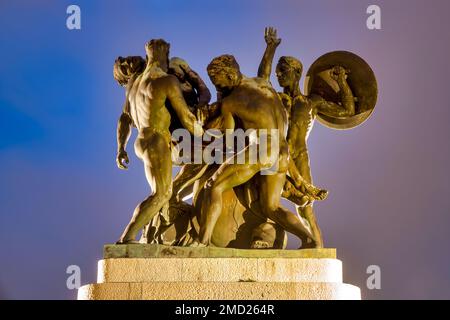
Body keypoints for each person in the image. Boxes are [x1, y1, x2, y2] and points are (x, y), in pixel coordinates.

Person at [192, 54, 315, 246]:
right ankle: (309, 239)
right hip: (283, 152)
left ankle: (202, 242)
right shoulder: (264, 84)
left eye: (219, 84)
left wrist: (202, 133)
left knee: (213, 186)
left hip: (262, 149)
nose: (219, 88)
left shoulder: (230, 102)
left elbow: (230, 140)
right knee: (271, 207)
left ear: (230, 76)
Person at [258, 27, 356, 247]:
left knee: (306, 207)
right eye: (278, 71)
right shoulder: (276, 98)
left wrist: (342, 81)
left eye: (282, 70)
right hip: (275, 155)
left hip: (299, 156)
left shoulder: (311, 102)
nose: (278, 74)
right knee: (265, 200)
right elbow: (262, 78)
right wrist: (270, 49)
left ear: (296, 73)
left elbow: (348, 110)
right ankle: (264, 238)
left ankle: (317, 250)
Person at [113, 39, 203, 244]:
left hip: (142, 141)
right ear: (166, 54)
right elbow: (187, 118)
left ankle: (156, 225)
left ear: (147, 56)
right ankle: (127, 237)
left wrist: (120, 148)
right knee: (161, 193)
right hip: (157, 139)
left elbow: (125, 118)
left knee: (167, 188)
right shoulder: (166, 81)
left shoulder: (134, 84)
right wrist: (205, 134)